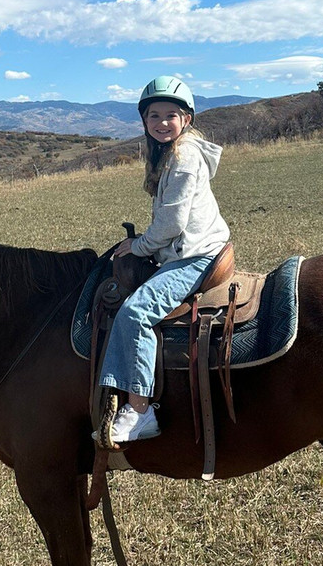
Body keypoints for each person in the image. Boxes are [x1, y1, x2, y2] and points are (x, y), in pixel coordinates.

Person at [98, 75, 230, 444]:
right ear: (144, 121)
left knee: (136, 313)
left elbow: (172, 223)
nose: (161, 122)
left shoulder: (184, 156)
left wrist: (140, 246)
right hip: (184, 246)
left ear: (187, 120)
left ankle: (140, 411)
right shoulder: (169, 152)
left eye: (171, 115)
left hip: (194, 255)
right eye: (153, 115)